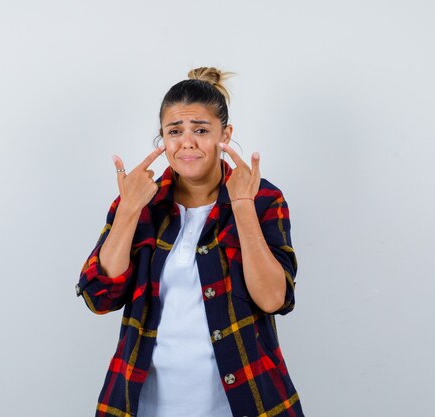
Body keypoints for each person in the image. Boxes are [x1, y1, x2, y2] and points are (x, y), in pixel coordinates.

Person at [75, 67, 304, 417]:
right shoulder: (141, 201)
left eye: (201, 130)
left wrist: (241, 206)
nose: (187, 142)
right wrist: (128, 210)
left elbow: (273, 298)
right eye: (175, 131)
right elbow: (99, 298)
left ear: (225, 135)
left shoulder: (263, 199)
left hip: (244, 401)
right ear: (162, 140)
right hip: (143, 404)